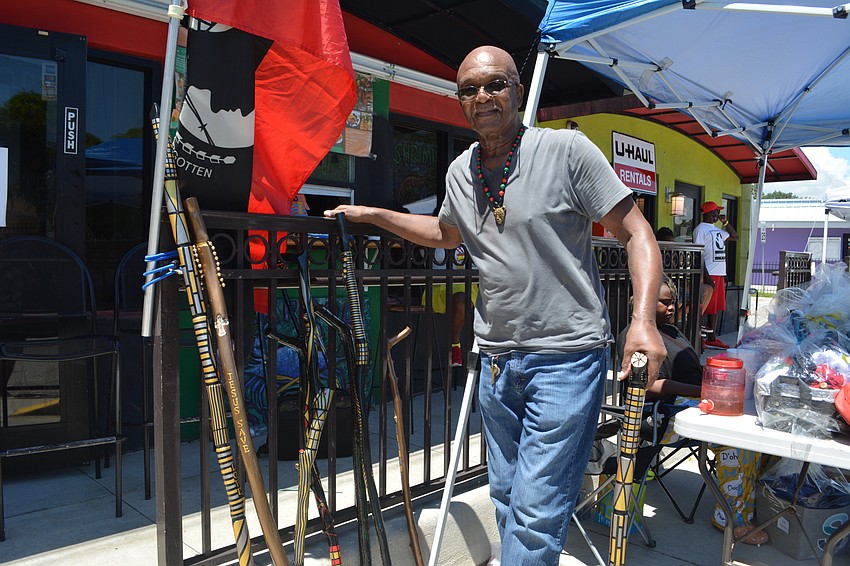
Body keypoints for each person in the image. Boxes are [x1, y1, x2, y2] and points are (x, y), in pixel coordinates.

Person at [325, 45, 665, 565]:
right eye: (469, 89)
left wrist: (643, 322)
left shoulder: (566, 152)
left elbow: (637, 232)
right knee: (506, 499)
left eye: (495, 84)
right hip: (497, 362)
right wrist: (374, 214)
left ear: (518, 91)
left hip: (566, 359)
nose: (482, 97)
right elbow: (444, 234)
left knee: (534, 516)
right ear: (459, 100)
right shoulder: (461, 172)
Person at [618, 277, 768, 545]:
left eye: (673, 301)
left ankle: (751, 506)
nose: (672, 306)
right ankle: (732, 519)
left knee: (758, 435)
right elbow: (645, 388)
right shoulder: (636, 337)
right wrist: (701, 391)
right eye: (665, 302)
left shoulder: (672, 331)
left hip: (692, 406)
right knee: (737, 442)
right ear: (645, 304)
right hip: (660, 417)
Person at [693, 201, 738, 349]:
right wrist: (706, 276)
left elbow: (734, 236)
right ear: (709, 213)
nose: (717, 215)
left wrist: (726, 223)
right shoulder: (700, 230)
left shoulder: (717, 229)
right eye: (715, 212)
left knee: (716, 307)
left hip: (719, 272)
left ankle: (712, 337)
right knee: (706, 306)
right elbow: (698, 254)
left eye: (718, 213)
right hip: (709, 272)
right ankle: (701, 337)